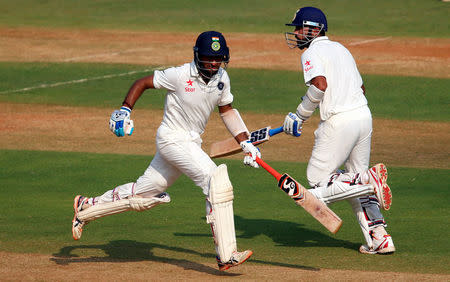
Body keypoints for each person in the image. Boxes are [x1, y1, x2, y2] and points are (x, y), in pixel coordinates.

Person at [71, 31, 262, 270]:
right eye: (208, 58)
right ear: (197, 56)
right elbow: (142, 82)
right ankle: (226, 254)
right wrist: (125, 110)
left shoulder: (222, 78)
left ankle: (87, 206)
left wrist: (245, 142)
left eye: (218, 58)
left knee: (145, 191)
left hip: (190, 143)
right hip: (172, 139)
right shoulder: (180, 74)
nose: (213, 63)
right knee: (216, 181)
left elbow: (227, 111)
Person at [281, 7, 395, 254]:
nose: (297, 33)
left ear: (312, 29)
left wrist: (299, 116)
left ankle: (367, 180)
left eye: (300, 28)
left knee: (316, 183)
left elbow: (320, 86)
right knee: (353, 181)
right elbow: (361, 88)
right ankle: (380, 238)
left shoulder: (311, 52)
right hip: (363, 116)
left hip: (340, 122)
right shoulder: (342, 49)